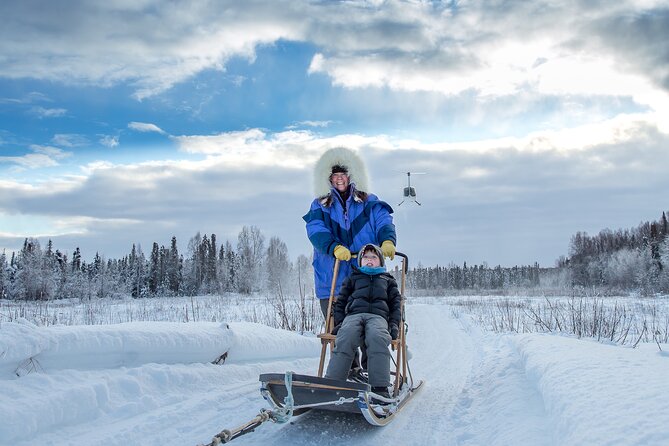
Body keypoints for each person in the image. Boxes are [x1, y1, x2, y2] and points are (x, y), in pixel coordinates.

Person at [303, 147, 397, 320]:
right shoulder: (319, 205)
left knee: (368, 328)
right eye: (334, 175)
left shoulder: (369, 201)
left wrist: (387, 240)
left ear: (351, 175)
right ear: (328, 178)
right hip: (331, 278)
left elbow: (383, 219)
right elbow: (315, 229)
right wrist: (334, 247)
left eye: (343, 173)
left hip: (366, 280)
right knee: (337, 332)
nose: (339, 178)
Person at [325, 244, 401, 398]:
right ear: (360, 261)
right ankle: (332, 384)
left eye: (374, 257)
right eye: (366, 257)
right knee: (346, 336)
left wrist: (393, 324)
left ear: (380, 261)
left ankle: (379, 388)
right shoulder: (353, 278)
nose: (369, 260)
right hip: (353, 315)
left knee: (377, 337)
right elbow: (341, 303)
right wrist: (339, 323)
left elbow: (395, 305)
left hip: (378, 317)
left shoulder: (388, 280)